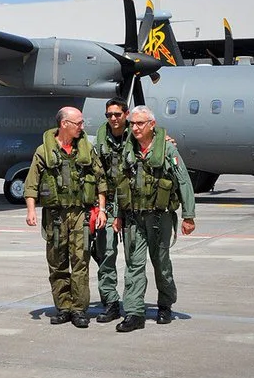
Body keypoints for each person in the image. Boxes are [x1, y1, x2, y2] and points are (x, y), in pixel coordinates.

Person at [112, 105, 196, 332]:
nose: (135, 128)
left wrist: (188, 216)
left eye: (140, 123)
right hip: (133, 218)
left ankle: (165, 305)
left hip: (160, 218)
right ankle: (134, 313)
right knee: (134, 266)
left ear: (152, 125)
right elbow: (121, 185)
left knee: (161, 264)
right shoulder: (127, 150)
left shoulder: (167, 150)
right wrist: (117, 215)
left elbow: (184, 181)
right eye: (132, 124)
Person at [24, 106, 107, 328]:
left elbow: (101, 181)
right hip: (55, 216)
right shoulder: (43, 151)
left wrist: (102, 209)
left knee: (80, 260)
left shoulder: (87, 149)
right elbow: (31, 183)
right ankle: (63, 307)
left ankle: (79, 309)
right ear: (64, 124)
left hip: (80, 213)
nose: (82, 127)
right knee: (57, 261)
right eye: (78, 123)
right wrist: (31, 210)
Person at [91, 97, 129, 323]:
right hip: (109, 202)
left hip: (132, 203)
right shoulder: (100, 138)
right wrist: (100, 207)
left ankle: (134, 305)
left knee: (135, 259)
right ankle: (111, 302)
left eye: (117, 114)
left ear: (126, 114)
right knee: (106, 254)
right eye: (109, 115)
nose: (113, 119)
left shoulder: (136, 134)